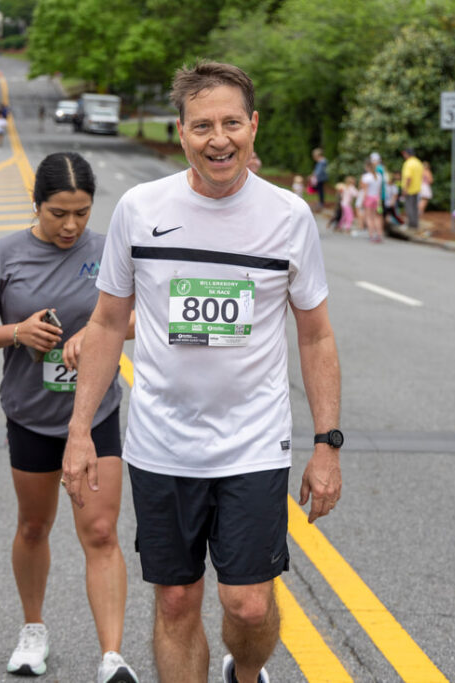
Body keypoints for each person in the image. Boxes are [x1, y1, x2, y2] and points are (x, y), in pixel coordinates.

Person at [61, 61, 343, 683]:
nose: (220, 139)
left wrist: (327, 444)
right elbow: (107, 323)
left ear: (253, 126)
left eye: (232, 124)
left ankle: (245, 672)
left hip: (253, 442)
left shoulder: (288, 216)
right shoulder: (140, 209)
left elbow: (316, 333)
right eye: (203, 126)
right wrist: (80, 431)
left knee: (249, 603)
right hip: (162, 443)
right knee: (176, 600)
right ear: (181, 132)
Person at [0, 152, 139, 682]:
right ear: (36, 204)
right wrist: (18, 332)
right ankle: (33, 628)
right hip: (31, 416)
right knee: (34, 526)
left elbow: (141, 315)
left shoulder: (109, 252)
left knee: (100, 531)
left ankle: (111, 658)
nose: (71, 225)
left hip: (96, 412)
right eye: (58, 212)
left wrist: (98, 334)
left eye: (82, 212)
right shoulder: (1, 256)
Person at [401, 148, 423, 229]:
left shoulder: (408, 163)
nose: (404, 155)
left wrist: (405, 189)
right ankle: (415, 223)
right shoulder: (418, 162)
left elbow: (408, 178)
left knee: (409, 207)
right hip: (417, 188)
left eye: (404, 154)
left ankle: (411, 224)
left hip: (409, 189)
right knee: (414, 207)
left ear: (407, 154)